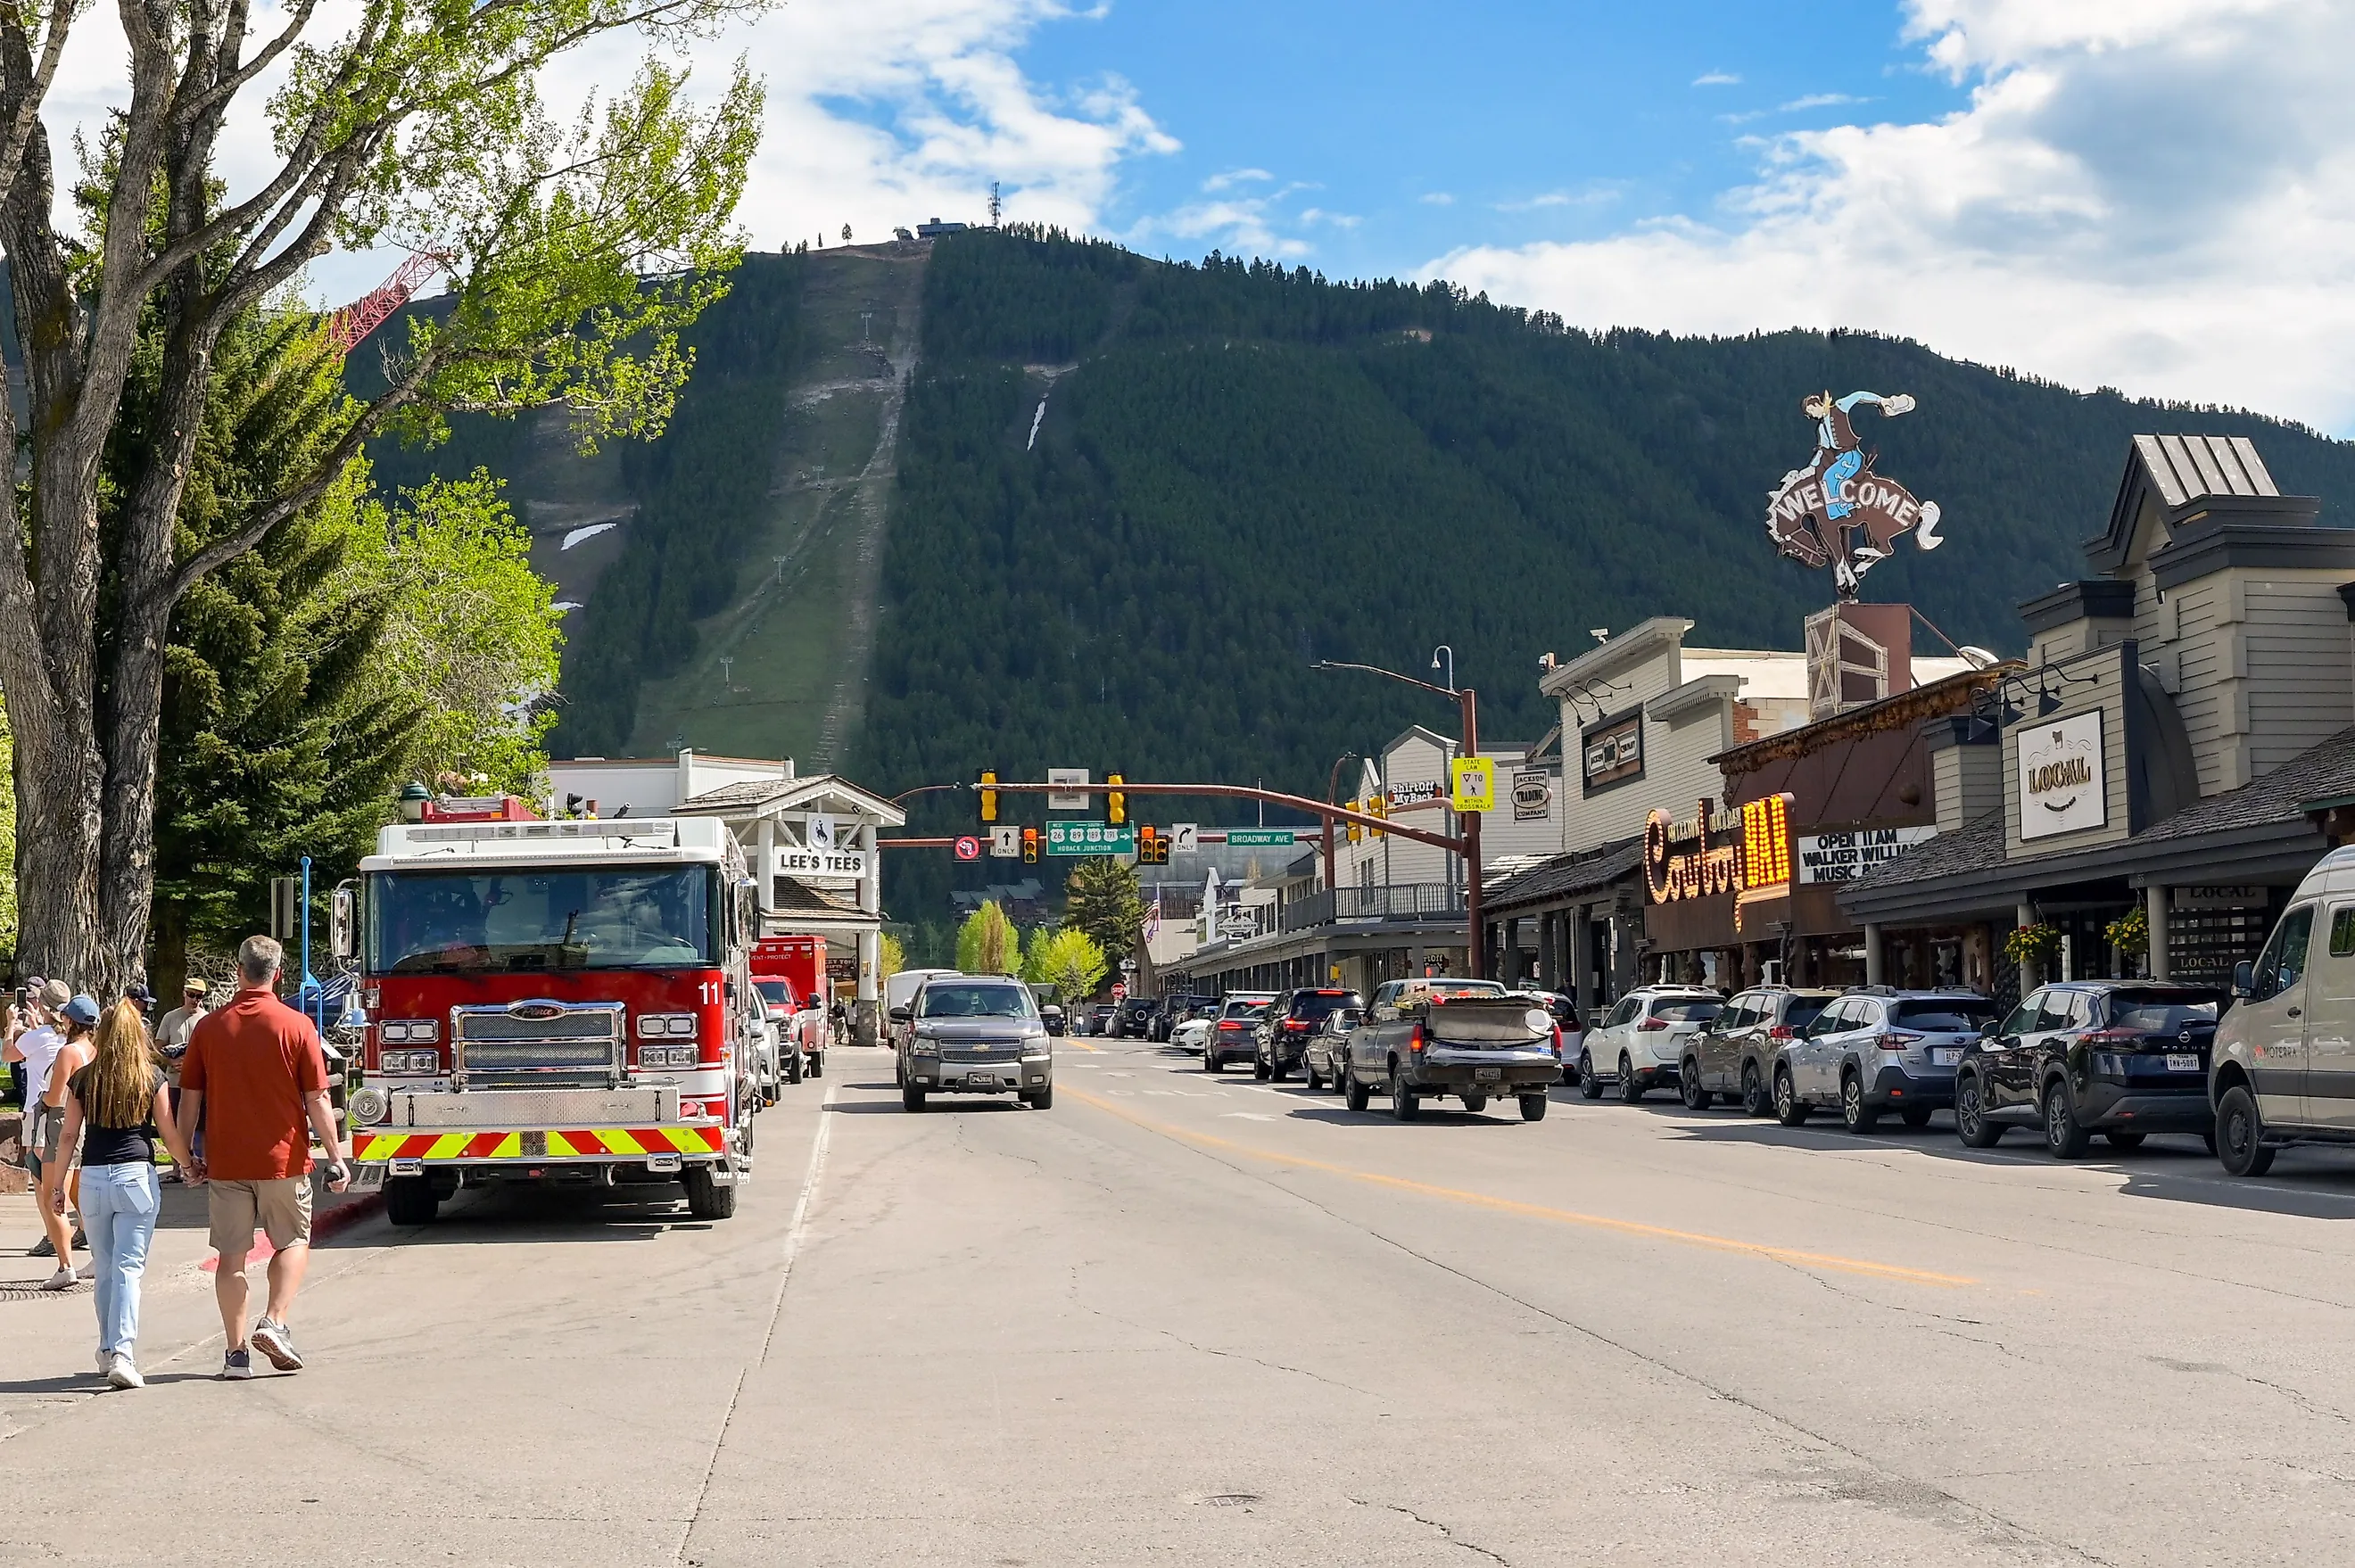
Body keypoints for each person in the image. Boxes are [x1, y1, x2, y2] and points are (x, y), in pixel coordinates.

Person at [178, 936, 350, 1379]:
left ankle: (236, 1355)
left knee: (231, 1259)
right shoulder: (297, 1026)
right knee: (293, 1241)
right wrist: (336, 1155)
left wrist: (186, 1158)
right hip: (284, 1160)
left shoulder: (209, 1028)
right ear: (277, 975)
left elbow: (190, 1100)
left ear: (238, 970)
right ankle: (274, 1321)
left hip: (227, 1162)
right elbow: (317, 1098)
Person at [55, 999, 200, 1388]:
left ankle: (106, 1349)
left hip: (94, 1178)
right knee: (128, 1268)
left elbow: (69, 1134)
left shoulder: (84, 1078)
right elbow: (168, 1133)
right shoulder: (149, 1076)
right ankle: (123, 1353)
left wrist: (57, 1184)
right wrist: (188, 1166)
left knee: (104, 1267)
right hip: (136, 1175)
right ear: (139, 1035)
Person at [34, 994, 98, 1289]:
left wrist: (40, 1102)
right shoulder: (95, 1050)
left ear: (69, 1021)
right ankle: (97, 1255)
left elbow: (54, 1095)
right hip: (86, 1124)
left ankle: (65, 1265)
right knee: (78, 1196)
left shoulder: (68, 1052)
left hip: (61, 1122)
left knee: (52, 1195)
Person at [17, 981, 70, 1267]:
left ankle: (52, 1235)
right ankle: (81, 1228)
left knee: (41, 1179)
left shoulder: (39, 1037)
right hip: (71, 1114)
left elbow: (9, 1054)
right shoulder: (76, 1040)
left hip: (40, 1113)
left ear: (43, 1006)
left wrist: (12, 1024)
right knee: (71, 1177)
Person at [154, 980, 209, 1184]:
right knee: (174, 1125)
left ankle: (204, 1165)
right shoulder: (171, 1017)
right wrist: (171, 1061)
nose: (195, 1000)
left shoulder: (207, 1019)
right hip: (174, 1081)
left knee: (203, 1126)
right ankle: (177, 1168)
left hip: (201, 1083)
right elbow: (158, 1046)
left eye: (199, 996)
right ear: (184, 993)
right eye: (192, 995)